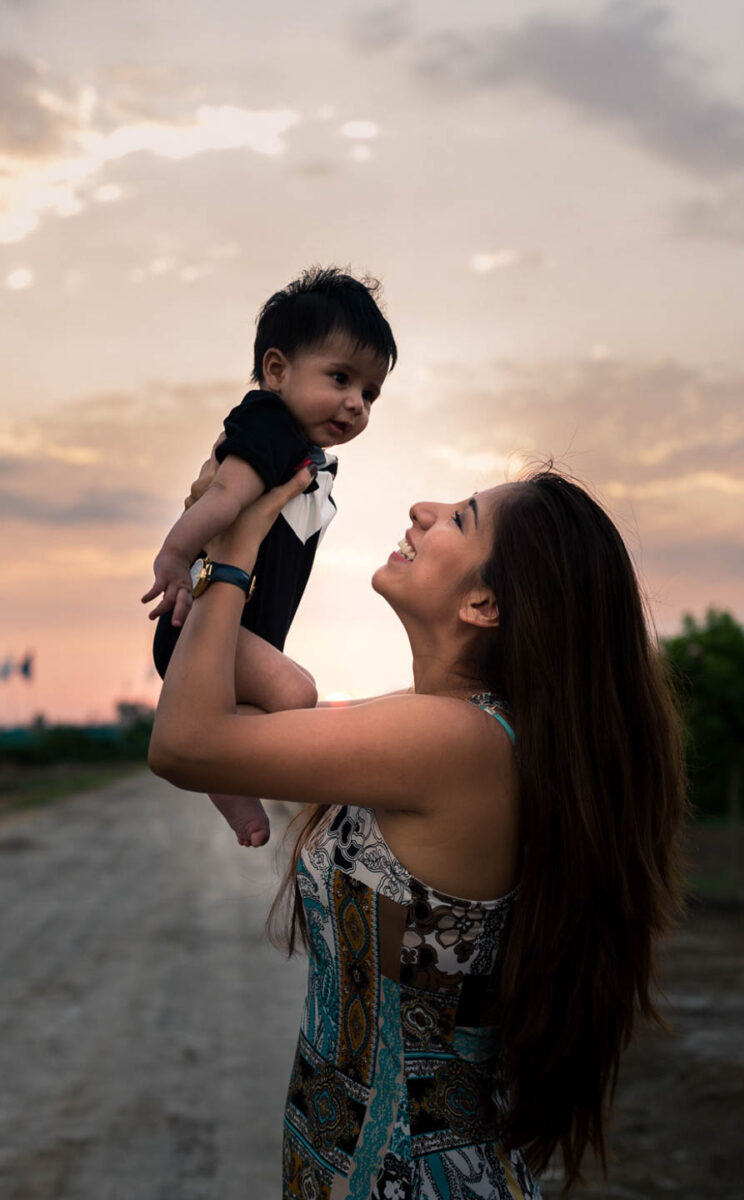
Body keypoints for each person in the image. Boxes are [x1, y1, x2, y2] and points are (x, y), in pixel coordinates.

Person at [149, 463, 687, 1198]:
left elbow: (186, 742)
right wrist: (215, 550)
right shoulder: (449, 730)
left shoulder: (455, 742)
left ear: (485, 602)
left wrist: (235, 546)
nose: (422, 509)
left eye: (461, 519)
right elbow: (229, 703)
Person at [142, 266, 397, 848]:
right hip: (202, 637)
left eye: (369, 393)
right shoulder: (269, 423)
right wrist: (175, 556)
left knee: (278, 706)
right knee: (296, 695)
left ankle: (221, 767)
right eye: (340, 378)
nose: (355, 403)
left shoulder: (307, 453)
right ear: (277, 370)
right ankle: (226, 779)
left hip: (240, 638)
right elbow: (223, 494)